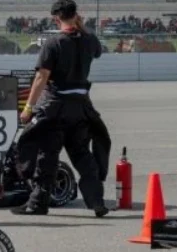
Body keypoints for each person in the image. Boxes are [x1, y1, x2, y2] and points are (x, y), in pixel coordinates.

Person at [13, 0, 107, 217]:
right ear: (76, 15)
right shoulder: (90, 40)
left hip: (55, 108)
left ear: (56, 18)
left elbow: (41, 77)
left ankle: (37, 204)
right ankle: (96, 201)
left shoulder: (53, 43)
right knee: (82, 155)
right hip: (82, 107)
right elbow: (97, 51)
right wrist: (82, 27)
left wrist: (28, 108)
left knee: (47, 156)